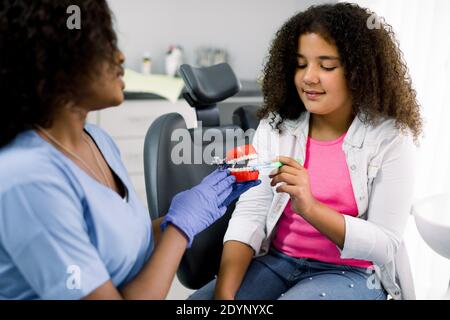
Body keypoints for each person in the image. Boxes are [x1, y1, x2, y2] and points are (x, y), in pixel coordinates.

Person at [0, 0, 258, 300]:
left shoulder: (97, 140)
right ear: (55, 61)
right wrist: (181, 229)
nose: (120, 56)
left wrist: (189, 210)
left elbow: (118, 246)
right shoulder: (28, 179)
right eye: (105, 44)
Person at [189, 2, 423, 300]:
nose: (309, 77)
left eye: (326, 66)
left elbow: (386, 244)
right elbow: (251, 212)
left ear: (359, 72)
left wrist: (311, 208)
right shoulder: (276, 126)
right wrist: (224, 297)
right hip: (278, 261)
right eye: (301, 64)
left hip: (352, 273)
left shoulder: (391, 139)